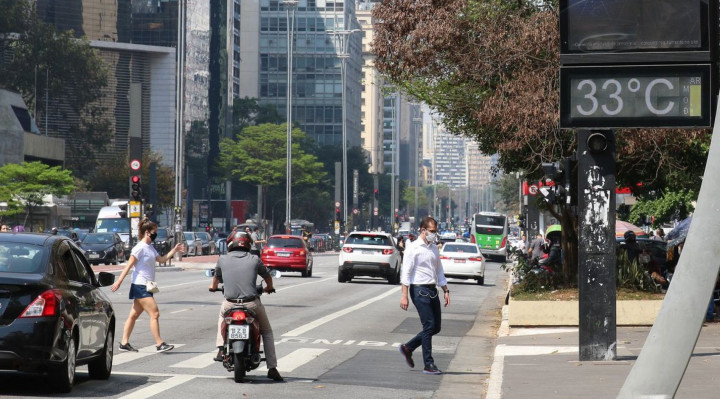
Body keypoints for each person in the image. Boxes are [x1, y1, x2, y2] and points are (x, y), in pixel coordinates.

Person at [209, 230, 283, 381]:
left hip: (230, 304)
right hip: (252, 304)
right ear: (249, 244)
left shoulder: (222, 259)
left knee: (221, 317)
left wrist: (212, 287)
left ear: (230, 243)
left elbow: (215, 281)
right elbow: (268, 277)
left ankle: (220, 348)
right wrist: (269, 288)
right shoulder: (255, 259)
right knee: (267, 332)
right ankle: (272, 367)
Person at [111, 218, 185, 353]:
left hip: (149, 285)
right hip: (140, 284)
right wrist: (119, 281)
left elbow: (161, 259)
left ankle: (124, 343)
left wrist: (174, 250)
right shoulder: (139, 248)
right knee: (155, 313)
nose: (155, 234)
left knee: (133, 315)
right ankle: (159, 343)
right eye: (154, 232)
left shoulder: (150, 247)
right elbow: (129, 266)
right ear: (147, 232)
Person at [398, 216, 450, 375]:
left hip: (432, 289)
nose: (434, 234)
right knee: (428, 326)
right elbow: (405, 273)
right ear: (423, 230)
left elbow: (439, 270)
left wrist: (445, 290)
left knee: (436, 327)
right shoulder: (413, 248)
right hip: (418, 290)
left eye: (435, 231)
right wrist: (404, 295)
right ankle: (429, 363)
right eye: (432, 231)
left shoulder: (434, 247)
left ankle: (408, 348)